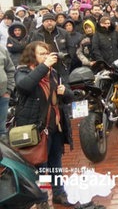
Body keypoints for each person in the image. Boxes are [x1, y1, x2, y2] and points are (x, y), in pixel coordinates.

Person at [14, 41, 74, 207]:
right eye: (42, 54)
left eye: (48, 53)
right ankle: (42, 198)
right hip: (37, 128)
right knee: (41, 166)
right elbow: (24, 86)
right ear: (33, 56)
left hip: (55, 126)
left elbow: (68, 98)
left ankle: (59, 194)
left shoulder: (53, 72)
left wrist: (65, 91)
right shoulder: (23, 71)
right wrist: (44, 67)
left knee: (56, 162)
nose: (46, 57)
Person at [0, 45, 15, 144]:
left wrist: (8, 90)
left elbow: (10, 70)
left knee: (2, 132)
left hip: (3, 96)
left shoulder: (1, 49)